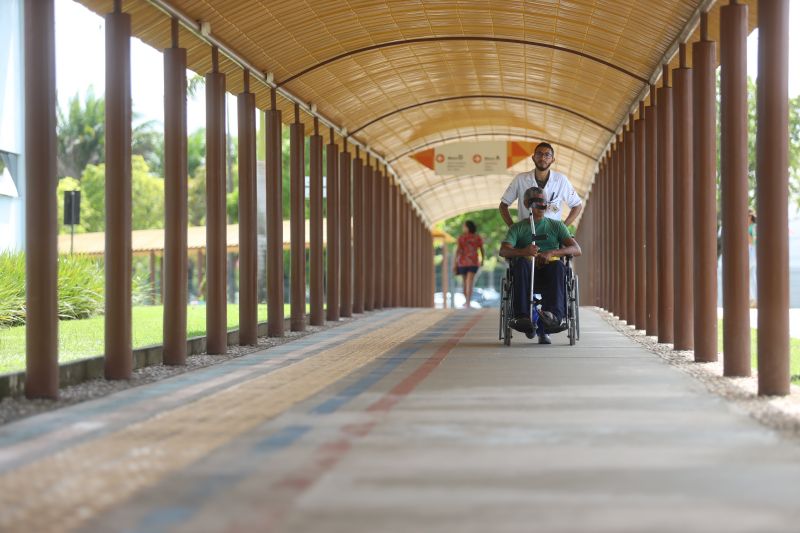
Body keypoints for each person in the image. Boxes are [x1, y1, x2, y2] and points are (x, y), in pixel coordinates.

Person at [499, 187, 581, 344]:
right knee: (521, 262)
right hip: (526, 275)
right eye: (537, 202)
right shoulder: (518, 228)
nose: (542, 205)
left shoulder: (556, 226)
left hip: (549, 273)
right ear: (526, 204)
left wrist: (552, 253)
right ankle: (522, 317)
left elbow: (576, 249)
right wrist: (524, 251)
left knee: (558, 267)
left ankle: (553, 316)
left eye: (544, 202)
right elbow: (503, 251)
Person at [499, 142, 582, 227]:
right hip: (526, 235)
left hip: (551, 236)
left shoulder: (561, 180)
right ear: (533, 158)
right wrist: (512, 227)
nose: (543, 158)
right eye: (539, 154)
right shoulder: (520, 179)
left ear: (553, 160)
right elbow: (503, 205)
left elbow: (577, 206)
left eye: (547, 155)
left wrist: (563, 228)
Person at [454, 220, 485, 308]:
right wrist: (483, 259)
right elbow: (458, 251)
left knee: (468, 282)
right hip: (467, 262)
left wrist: (455, 263)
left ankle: (467, 302)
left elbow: (481, 249)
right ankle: (467, 301)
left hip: (468, 263)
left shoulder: (468, 237)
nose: (463, 228)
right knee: (466, 283)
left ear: (468, 227)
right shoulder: (467, 237)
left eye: (464, 226)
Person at [748, 209, 757, 308]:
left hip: (752, 251)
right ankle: (751, 298)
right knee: (750, 275)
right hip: (749, 250)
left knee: (751, 274)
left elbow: (752, 241)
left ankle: (753, 298)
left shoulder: (753, 227)